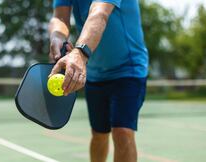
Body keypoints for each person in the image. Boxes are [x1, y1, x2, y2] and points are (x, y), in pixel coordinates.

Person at [48, 0, 148, 161]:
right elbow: (59, 18)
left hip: (128, 68)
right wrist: (57, 37)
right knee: (99, 133)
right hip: (95, 72)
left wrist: (79, 53)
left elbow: (99, 13)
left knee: (122, 132)